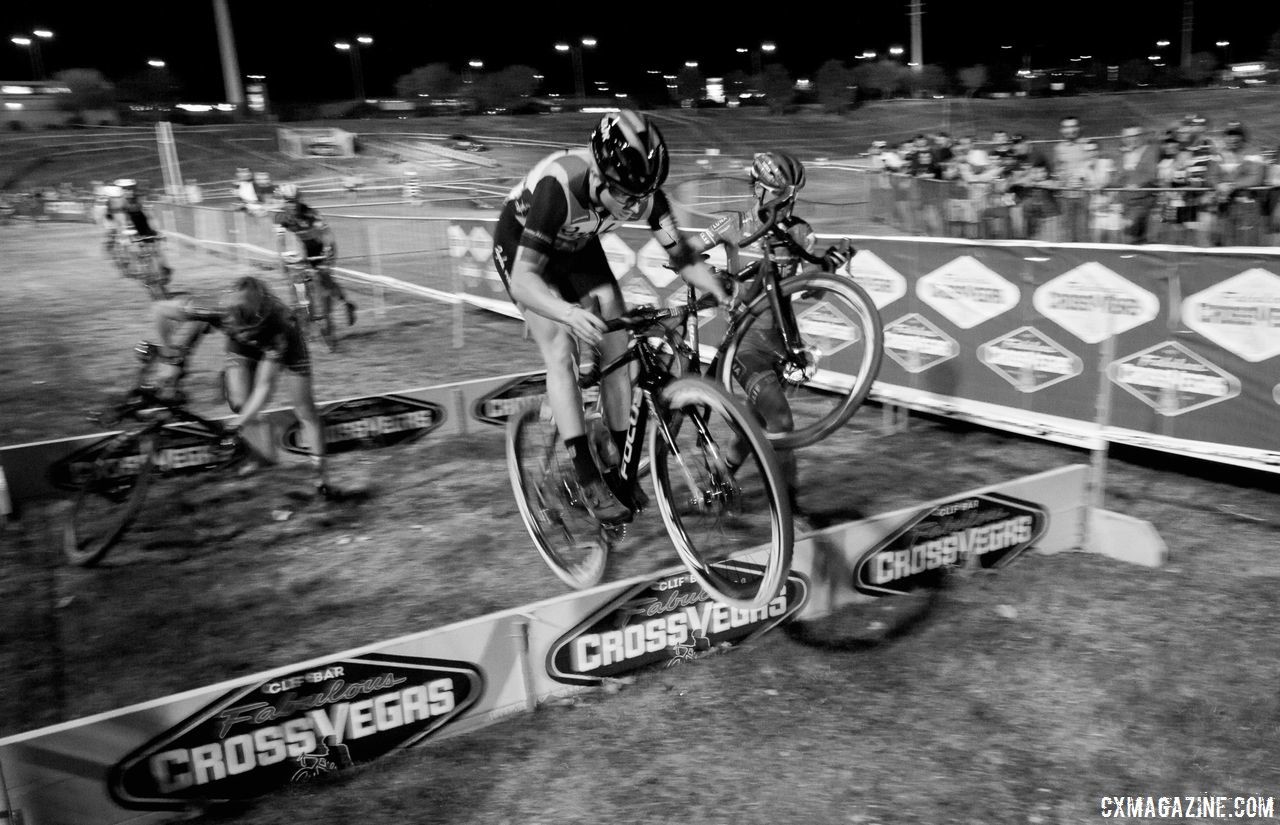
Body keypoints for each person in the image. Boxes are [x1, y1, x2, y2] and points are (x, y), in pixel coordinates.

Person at [490, 109, 727, 526]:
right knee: (560, 346)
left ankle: (620, 464)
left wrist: (721, 289)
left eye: (642, 197)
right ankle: (585, 475)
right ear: (598, 175)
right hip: (522, 247)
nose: (636, 209)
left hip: (578, 245)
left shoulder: (642, 191)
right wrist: (565, 312)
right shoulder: (558, 186)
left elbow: (683, 255)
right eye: (625, 197)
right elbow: (525, 281)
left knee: (618, 344)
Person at [687, 151, 855, 512]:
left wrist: (830, 269)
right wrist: (713, 278)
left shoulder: (800, 231)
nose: (785, 203)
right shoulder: (732, 224)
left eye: (790, 196)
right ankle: (789, 507)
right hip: (744, 344)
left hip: (780, 344)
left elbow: (811, 290)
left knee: (757, 419)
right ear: (758, 191)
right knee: (779, 417)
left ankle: (720, 478)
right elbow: (684, 252)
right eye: (778, 194)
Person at [151, 275, 332, 496]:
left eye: (249, 326)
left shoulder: (280, 324)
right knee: (239, 402)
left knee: (304, 409)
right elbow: (160, 310)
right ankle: (263, 454)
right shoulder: (215, 308)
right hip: (241, 346)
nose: (246, 330)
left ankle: (320, 476)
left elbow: (265, 388)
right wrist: (170, 354)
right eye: (241, 324)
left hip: (283, 345)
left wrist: (237, 425)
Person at [272, 184, 357, 328]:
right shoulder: (280, 216)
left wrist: (328, 251)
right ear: (283, 201)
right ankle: (304, 312)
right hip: (304, 248)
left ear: (299, 199)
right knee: (298, 279)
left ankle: (345, 304)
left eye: (294, 200)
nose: (292, 204)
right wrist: (281, 258)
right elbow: (280, 240)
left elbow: (327, 234)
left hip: (321, 247)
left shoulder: (310, 213)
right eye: (288, 201)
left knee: (325, 280)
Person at [105, 178, 173, 278]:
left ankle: (163, 266)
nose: (128, 191)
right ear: (120, 190)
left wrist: (158, 231)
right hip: (125, 222)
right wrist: (122, 235)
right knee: (130, 244)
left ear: (134, 189)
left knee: (155, 244)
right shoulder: (117, 201)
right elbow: (119, 220)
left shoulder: (139, 197)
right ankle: (132, 265)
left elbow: (149, 215)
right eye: (125, 189)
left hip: (140, 221)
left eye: (130, 188)